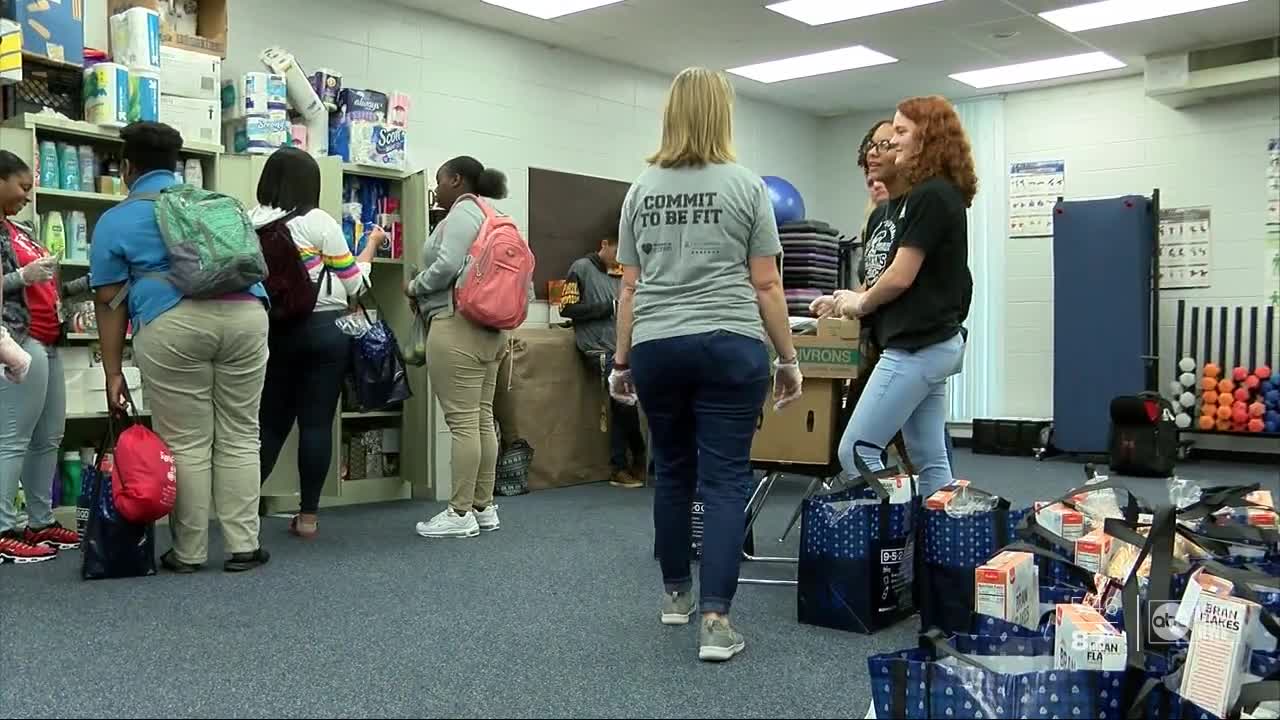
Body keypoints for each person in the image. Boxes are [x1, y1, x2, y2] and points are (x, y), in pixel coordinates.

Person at [609, 67, 802, 663]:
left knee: (670, 472)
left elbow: (629, 290)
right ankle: (716, 621)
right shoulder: (746, 186)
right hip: (730, 343)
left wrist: (620, 362)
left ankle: (675, 595)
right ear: (723, 115)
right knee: (724, 480)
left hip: (658, 347)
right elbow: (766, 284)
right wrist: (788, 359)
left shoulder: (642, 187)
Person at [91, 121, 271, 573]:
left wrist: (113, 371)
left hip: (174, 321)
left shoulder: (118, 219)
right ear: (178, 164)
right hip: (248, 316)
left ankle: (189, 552)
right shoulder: (218, 204)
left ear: (128, 167)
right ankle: (243, 546)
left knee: (186, 441)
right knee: (241, 434)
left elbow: (108, 301)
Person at [821, 97, 975, 499]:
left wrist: (859, 303)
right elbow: (883, 279)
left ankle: (897, 530)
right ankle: (930, 548)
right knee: (930, 459)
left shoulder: (933, 196)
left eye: (901, 133)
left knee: (856, 451)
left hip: (917, 347)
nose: (892, 143)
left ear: (928, 140)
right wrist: (847, 301)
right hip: (922, 344)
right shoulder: (914, 201)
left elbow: (900, 276)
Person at [250, 147, 378, 539]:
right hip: (326, 329)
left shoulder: (248, 220)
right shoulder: (318, 221)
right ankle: (308, 518)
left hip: (273, 330)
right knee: (316, 424)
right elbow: (355, 283)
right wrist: (369, 249)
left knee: (270, 425)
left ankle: (241, 510)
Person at [408, 156, 510, 539]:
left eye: (440, 181)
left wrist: (415, 286)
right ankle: (483, 507)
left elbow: (448, 264)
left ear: (456, 179)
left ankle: (460, 512)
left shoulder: (464, 212)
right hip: (492, 329)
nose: (437, 189)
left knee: (464, 423)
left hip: (457, 324)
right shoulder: (494, 213)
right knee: (482, 418)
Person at [0, 150, 82, 564]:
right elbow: (15, 284)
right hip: (15, 340)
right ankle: (3, 527)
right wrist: (21, 276)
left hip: (47, 341)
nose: (28, 197)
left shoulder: (22, 231)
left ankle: (39, 520)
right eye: (23, 187)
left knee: (48, 436)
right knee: (11, 439)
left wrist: (84, 284)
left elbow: (45, 287)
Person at [558, 214, 647, 489]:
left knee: (629, 403)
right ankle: (624, 463)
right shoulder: (581, 268)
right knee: (623, 403)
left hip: (623, 349)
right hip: (596, 348)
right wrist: (609, 307)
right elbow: (567, 308)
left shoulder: (623, 273)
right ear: (604, 244)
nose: (620, 257)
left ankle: (637, 461)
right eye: (617, 251)